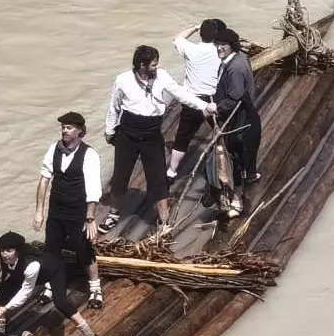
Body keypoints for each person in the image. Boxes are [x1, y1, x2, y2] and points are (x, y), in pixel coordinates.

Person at [101, 44, 215, 239]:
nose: (156, 67)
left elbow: (181, 94)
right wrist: (109, 130)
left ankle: (164, 220)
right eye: (153, 64)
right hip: (127, 133)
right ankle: (114, 214)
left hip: (152, 134)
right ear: (142, 65)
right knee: (120, 178)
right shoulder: (123, 80)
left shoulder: (162, 76)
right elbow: (114, 106)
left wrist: (204, 105)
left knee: (159, 179)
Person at [33, 111, 105, 310]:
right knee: (52, 247)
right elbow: (44, 180)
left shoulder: (89, 154)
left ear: (80, 131)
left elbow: (93, 189)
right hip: (57, 209)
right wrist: (39, 211)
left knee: (84, 249)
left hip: (78, 211)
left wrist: (90, 219)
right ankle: (51, 284)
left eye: (69, 127)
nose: (65, 130)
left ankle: (95, 288)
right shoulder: (53, 149)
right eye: (63, 127)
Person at [0, 231, 98, 336]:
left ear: (18, 251)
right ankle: (0, 331)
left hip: (52, 271)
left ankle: (89, 335)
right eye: (2, 250)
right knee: (2, 292)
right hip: (23, 274)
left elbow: (26, 291)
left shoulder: (32, 265)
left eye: (9, 251)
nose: (4, 255)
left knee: (61, 302)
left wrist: (6, 308)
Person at [212, 26, 264, 217]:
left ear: (232, 45)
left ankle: (237, 203)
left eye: (223, 45)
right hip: (248, 116)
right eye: (217, 44)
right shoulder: (240, 58)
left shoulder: (234, 68)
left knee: (234, 160)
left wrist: (214, 108)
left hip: (239, 120)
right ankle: (251, 176)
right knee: (247, 160)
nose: (219, 48)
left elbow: (233, 99)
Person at [166, 18, 226, 180]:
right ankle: (225, 165)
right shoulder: (220, 51)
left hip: (191, 100)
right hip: (213, 100)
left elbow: (177, 38)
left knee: (182, 138)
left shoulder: (190, 49)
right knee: (222, 132)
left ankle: (171, 171)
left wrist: (194, 27)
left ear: (201, 34)